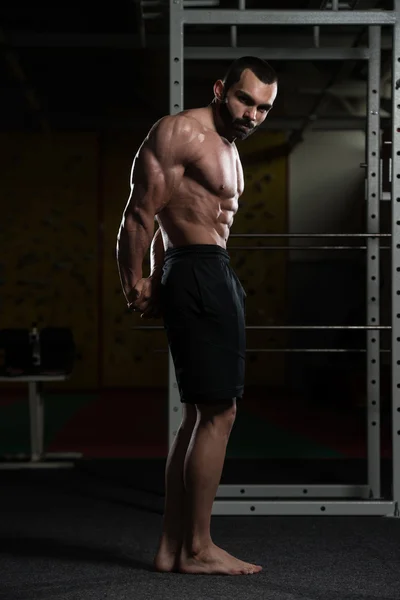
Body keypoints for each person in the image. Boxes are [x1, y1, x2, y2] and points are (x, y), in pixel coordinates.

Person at [116, 56, 278, 576]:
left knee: (200, 414)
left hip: (201, 269)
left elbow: (179, 217)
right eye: (244, 99)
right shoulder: (180, 132)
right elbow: (141, 212)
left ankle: (171, 547)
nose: (253, 115)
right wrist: (137, 282)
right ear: (219, 89)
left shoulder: (228, 148)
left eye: (263, 108)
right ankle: (199, 547)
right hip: (199, 272)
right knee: (218, 413)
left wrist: (163, 273)